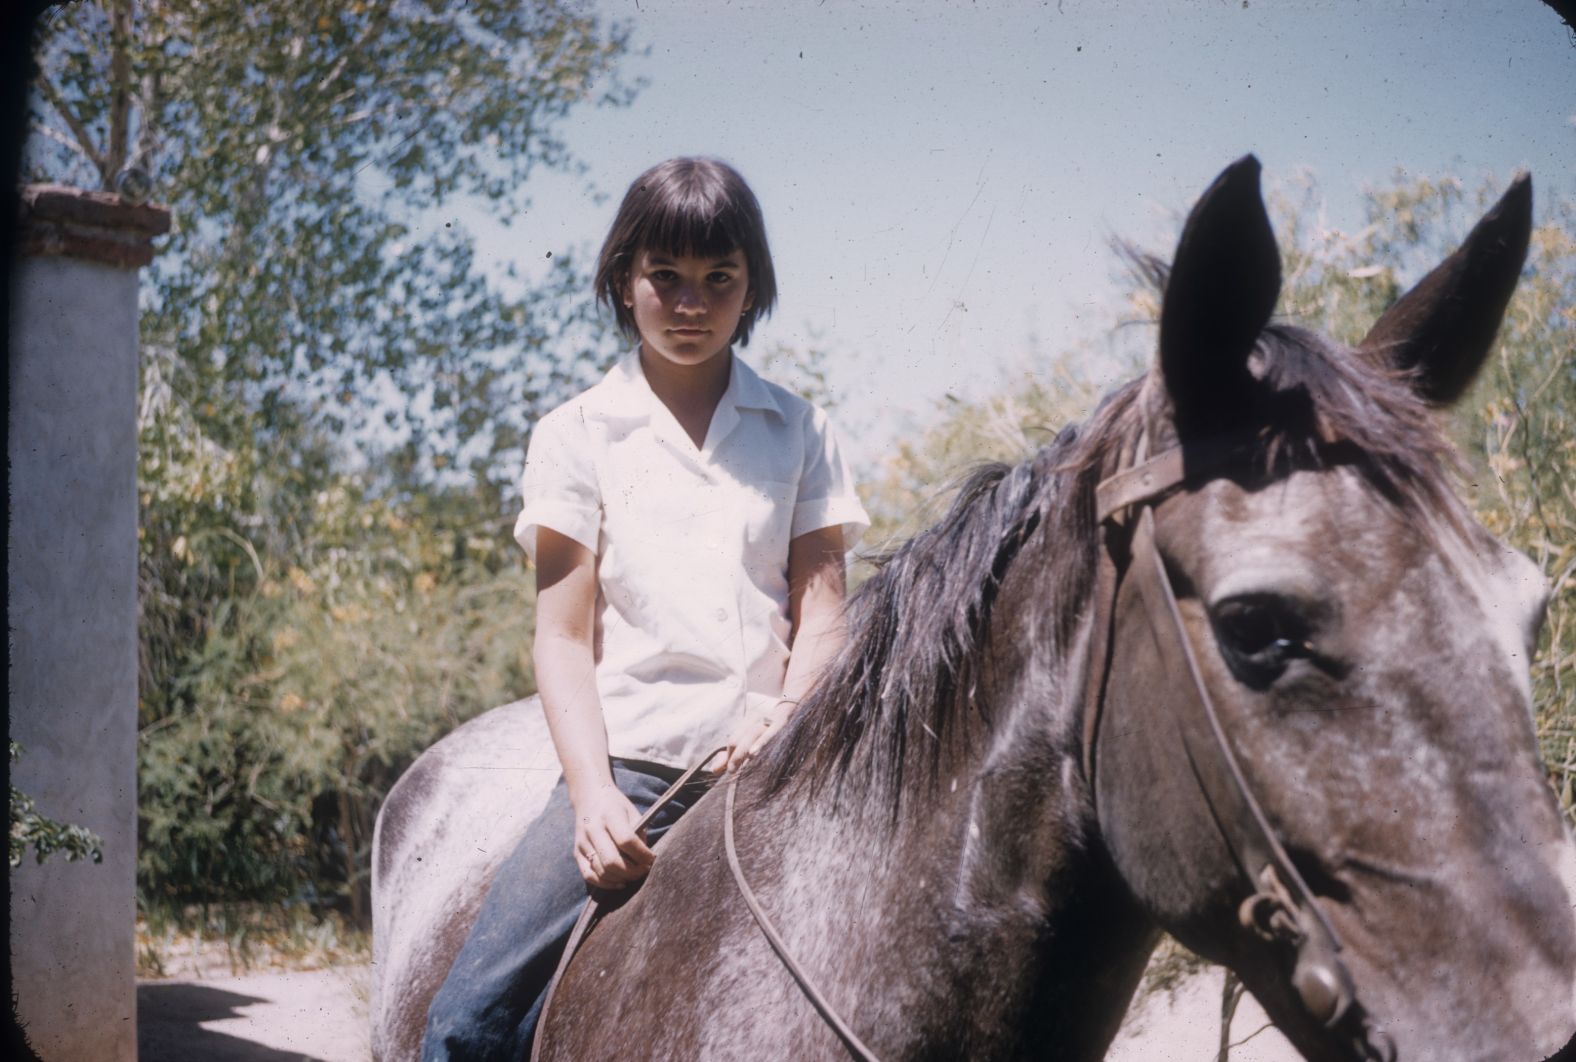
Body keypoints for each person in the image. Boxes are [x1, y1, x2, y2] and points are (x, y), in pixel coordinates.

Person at [421, 157, 869, 1060]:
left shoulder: (803, 430)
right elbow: (561, 635)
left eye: (719, 278)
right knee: (466, 1023)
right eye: (665, 275)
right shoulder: (577, 433)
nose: (691, 302)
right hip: (633, 771)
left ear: (753, 288)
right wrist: (590, 800)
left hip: (778, 767)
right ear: (625, 280)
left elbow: (824, 611)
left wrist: (784, 714)